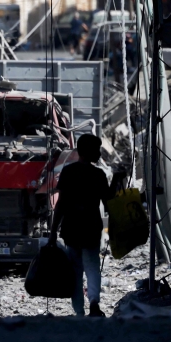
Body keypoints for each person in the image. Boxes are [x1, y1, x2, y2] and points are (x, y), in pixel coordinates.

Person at [49, 133, 122, 316]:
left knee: (75, 270)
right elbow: (109, 203)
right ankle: (94, 303)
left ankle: (79, 311)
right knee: (92, 267)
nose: (99, 153)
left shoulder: (68, 172)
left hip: (71, 228)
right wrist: (116, 181)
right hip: (91, 228)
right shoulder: (98, 174)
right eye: (97, 150)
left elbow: (60, 204)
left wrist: (53, 232)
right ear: (89, 151)